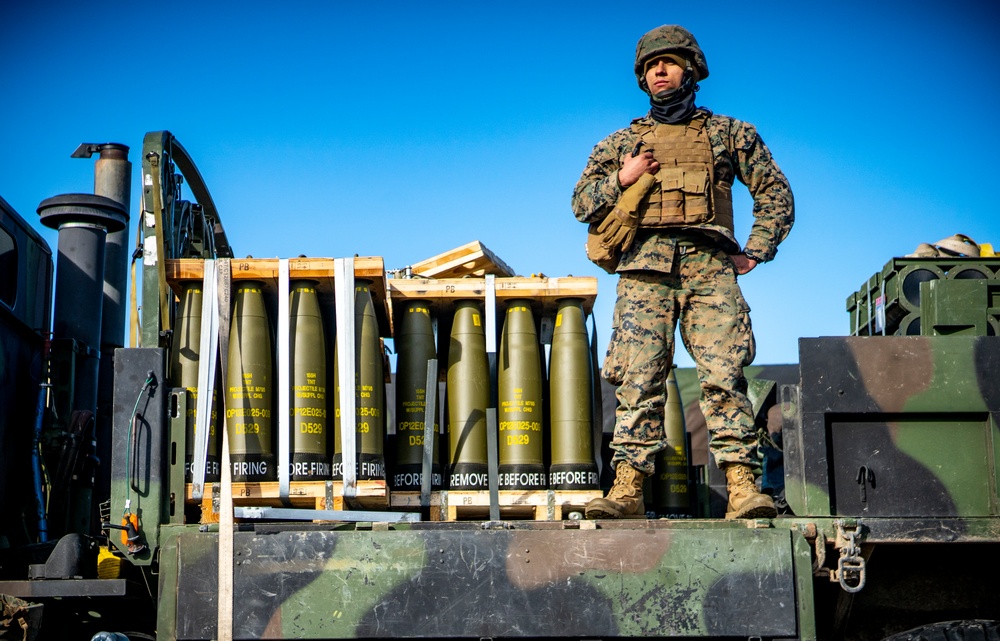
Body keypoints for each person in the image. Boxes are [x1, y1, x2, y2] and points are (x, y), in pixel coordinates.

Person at [572, 25, 793, 519]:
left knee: (724, 375)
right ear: (642, 78)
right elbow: (580, 202)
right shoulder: (622, 142)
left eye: (669, 62)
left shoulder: (730, 134)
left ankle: (742, 488)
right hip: (643, 271)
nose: (660, 71)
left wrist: (755, 250)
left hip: (710, 268)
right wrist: (622, 177)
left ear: (691, 69)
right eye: (651, 66)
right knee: (639, 378)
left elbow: (776, 194)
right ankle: (626, 491)